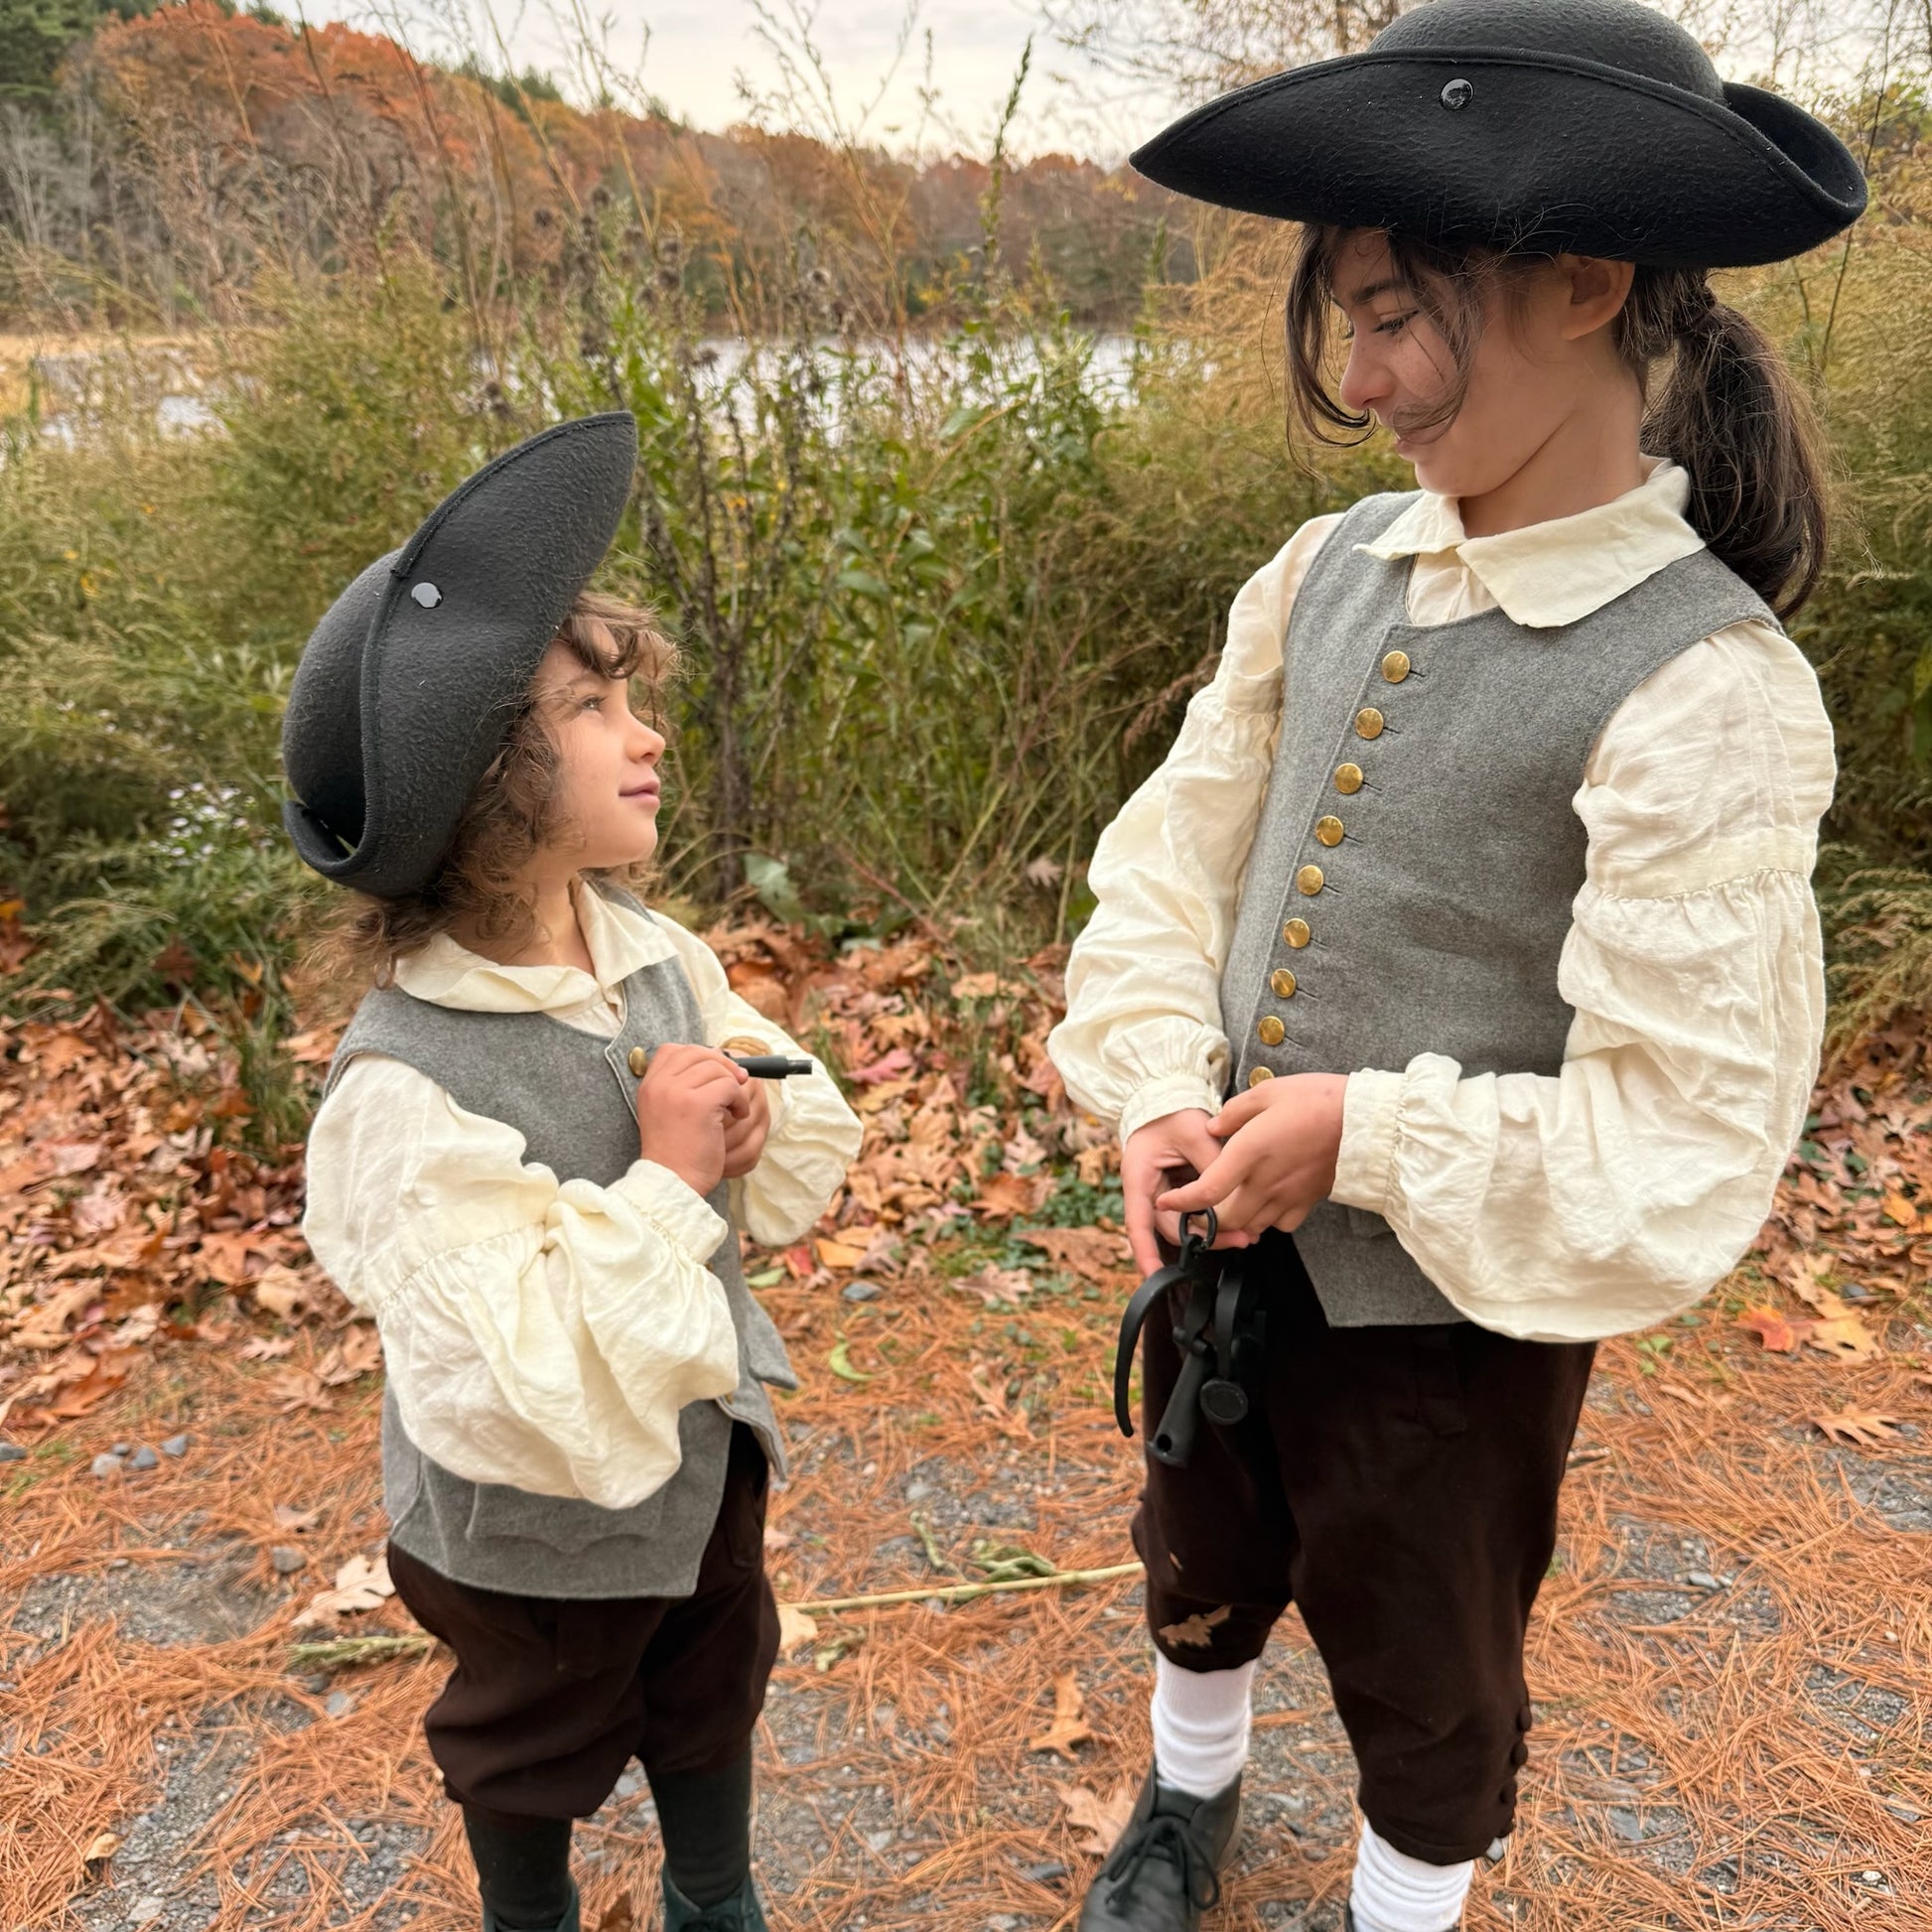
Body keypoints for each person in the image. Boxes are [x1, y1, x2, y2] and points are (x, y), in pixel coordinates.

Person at [1046, 5, 1865, 1930]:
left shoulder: (1700, 686)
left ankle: (1400, 1913)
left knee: (1429, 1666)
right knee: (1199, 1547)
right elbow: (1173, 856)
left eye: (1396, 311)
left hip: (1455, 1321)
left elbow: (1679, 1131)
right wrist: (1165, 1084)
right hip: (1226, 1255)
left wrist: (1370, 1135)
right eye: (1340, 313)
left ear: (1582, 284)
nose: (1362, 373)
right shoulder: (1322, 573)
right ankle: (1184, 1805)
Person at [288, 413, 862, 1932]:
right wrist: (671, 1181)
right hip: (525, 1542)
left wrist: (744, 1126)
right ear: (483, 776)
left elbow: (785, 1156)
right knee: (529, 1746)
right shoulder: (409, 1076)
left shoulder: (651, 951)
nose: (645, 734)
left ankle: (713, 1892)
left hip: (700, 1467)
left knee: (712, 1677)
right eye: (594, 707)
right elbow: (517, 1367)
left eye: (628, 700)